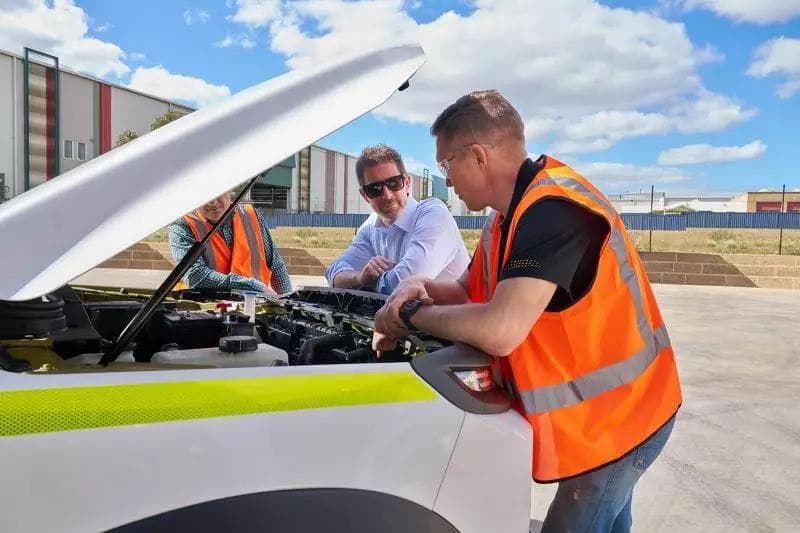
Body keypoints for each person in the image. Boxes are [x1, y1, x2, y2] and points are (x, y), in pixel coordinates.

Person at [372, 91, 681, 532]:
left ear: (478, 157)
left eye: (446, 165)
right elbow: (466, 289)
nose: (448, 182)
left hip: (624, 418)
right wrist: (420, 288)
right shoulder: (508, 216)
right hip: (608, 417)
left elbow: (501, 329)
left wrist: (408, 317)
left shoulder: (554, 211)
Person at [325, 144, 469, 295]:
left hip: (458, 316)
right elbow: (334, 272)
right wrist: (359, 278)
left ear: (407, 183)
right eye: (375, 189)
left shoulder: (433, 213)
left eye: (394, 183)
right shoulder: (371, 226)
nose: (387, 195)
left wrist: (370, 282)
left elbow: (406, 283)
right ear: (365, 195)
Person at [168, 191, 292, 295]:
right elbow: (195, 276)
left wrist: (286, 302)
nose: (212, 203)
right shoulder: (182, 225)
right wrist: (254, 287)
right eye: (204, 197)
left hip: (253, 308)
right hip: (204, 312)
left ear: (229, 190)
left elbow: (276, 265)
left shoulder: (251, 215)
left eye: (217, 193)